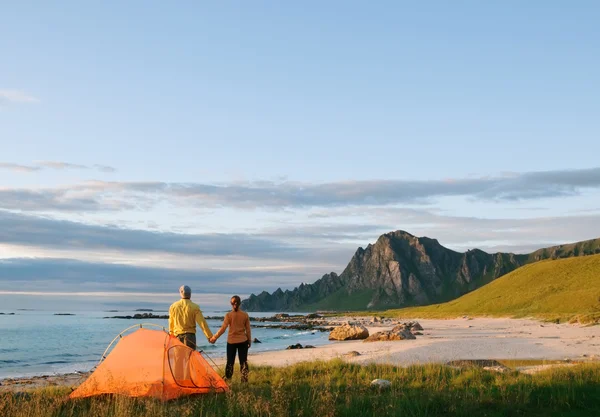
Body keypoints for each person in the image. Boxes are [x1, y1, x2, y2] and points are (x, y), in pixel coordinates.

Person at [210, 295, 251, 382]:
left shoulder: (228, 315)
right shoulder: (245, 315)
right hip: (243, 341)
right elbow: (248, 330)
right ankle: (244, 381)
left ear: (231, 304)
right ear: (240, 304)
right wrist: (249, 341)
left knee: (230, 363)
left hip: (231, 342)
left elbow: (223, 329)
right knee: (243, 362)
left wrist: (214, 337)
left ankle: (228, 381)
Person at [169, 285, 213, 349]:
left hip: (177, 337)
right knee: (190, 358)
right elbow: (202, 323)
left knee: (178, 358)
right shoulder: (195, 307)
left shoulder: (173, 306)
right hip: (190, 337)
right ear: (190, 294)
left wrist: (171, 336)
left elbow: (171, 323)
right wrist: (209, 336)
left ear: (181, 293)